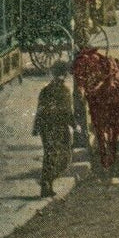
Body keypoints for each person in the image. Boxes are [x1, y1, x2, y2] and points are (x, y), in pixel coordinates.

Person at [32, 62, 74, 198]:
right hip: (59, 126)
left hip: (45, 127)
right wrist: (74, 125)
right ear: (65, 75)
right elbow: (68, 111)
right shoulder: (65, 91)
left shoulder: (45, 90)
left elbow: (40, 109)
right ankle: (47, 182)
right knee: (64, 157)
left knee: (49, 155)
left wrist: (36, 127)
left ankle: (46, 184)